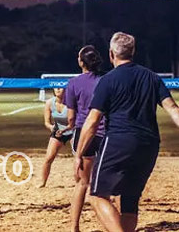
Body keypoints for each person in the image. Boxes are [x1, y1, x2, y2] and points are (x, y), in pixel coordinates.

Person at [75, 32, 179, 232]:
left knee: (96, 195)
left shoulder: (108, 80)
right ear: (133, 52)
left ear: (111, 54)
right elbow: (172, 108)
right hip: (149, 144)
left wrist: (80, 153)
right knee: (129, 200)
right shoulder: (151, 77)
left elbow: (92, 122)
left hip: (119, 141)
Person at [63, 45, 107, 232]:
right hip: (106, 132)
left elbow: (71, 117)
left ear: (81, 62)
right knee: (109, 185)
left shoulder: (73, 83)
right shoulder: (106, 80)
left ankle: (74, 226)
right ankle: (116, 225)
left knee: (82, 183)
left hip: (84, 133)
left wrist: (70, 128)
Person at [39, 87, 74, 188]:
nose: (58, 89)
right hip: (58, 131)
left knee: (78, 157)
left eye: (61, 88)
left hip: (72, 130)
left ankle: (82, 181)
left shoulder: (71, 103)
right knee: (48, 158)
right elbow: (46, 122)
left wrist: (65, 130)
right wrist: (51, 127)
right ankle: (43, 182)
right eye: (56, 87)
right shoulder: (49, 103)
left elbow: (74, 122)